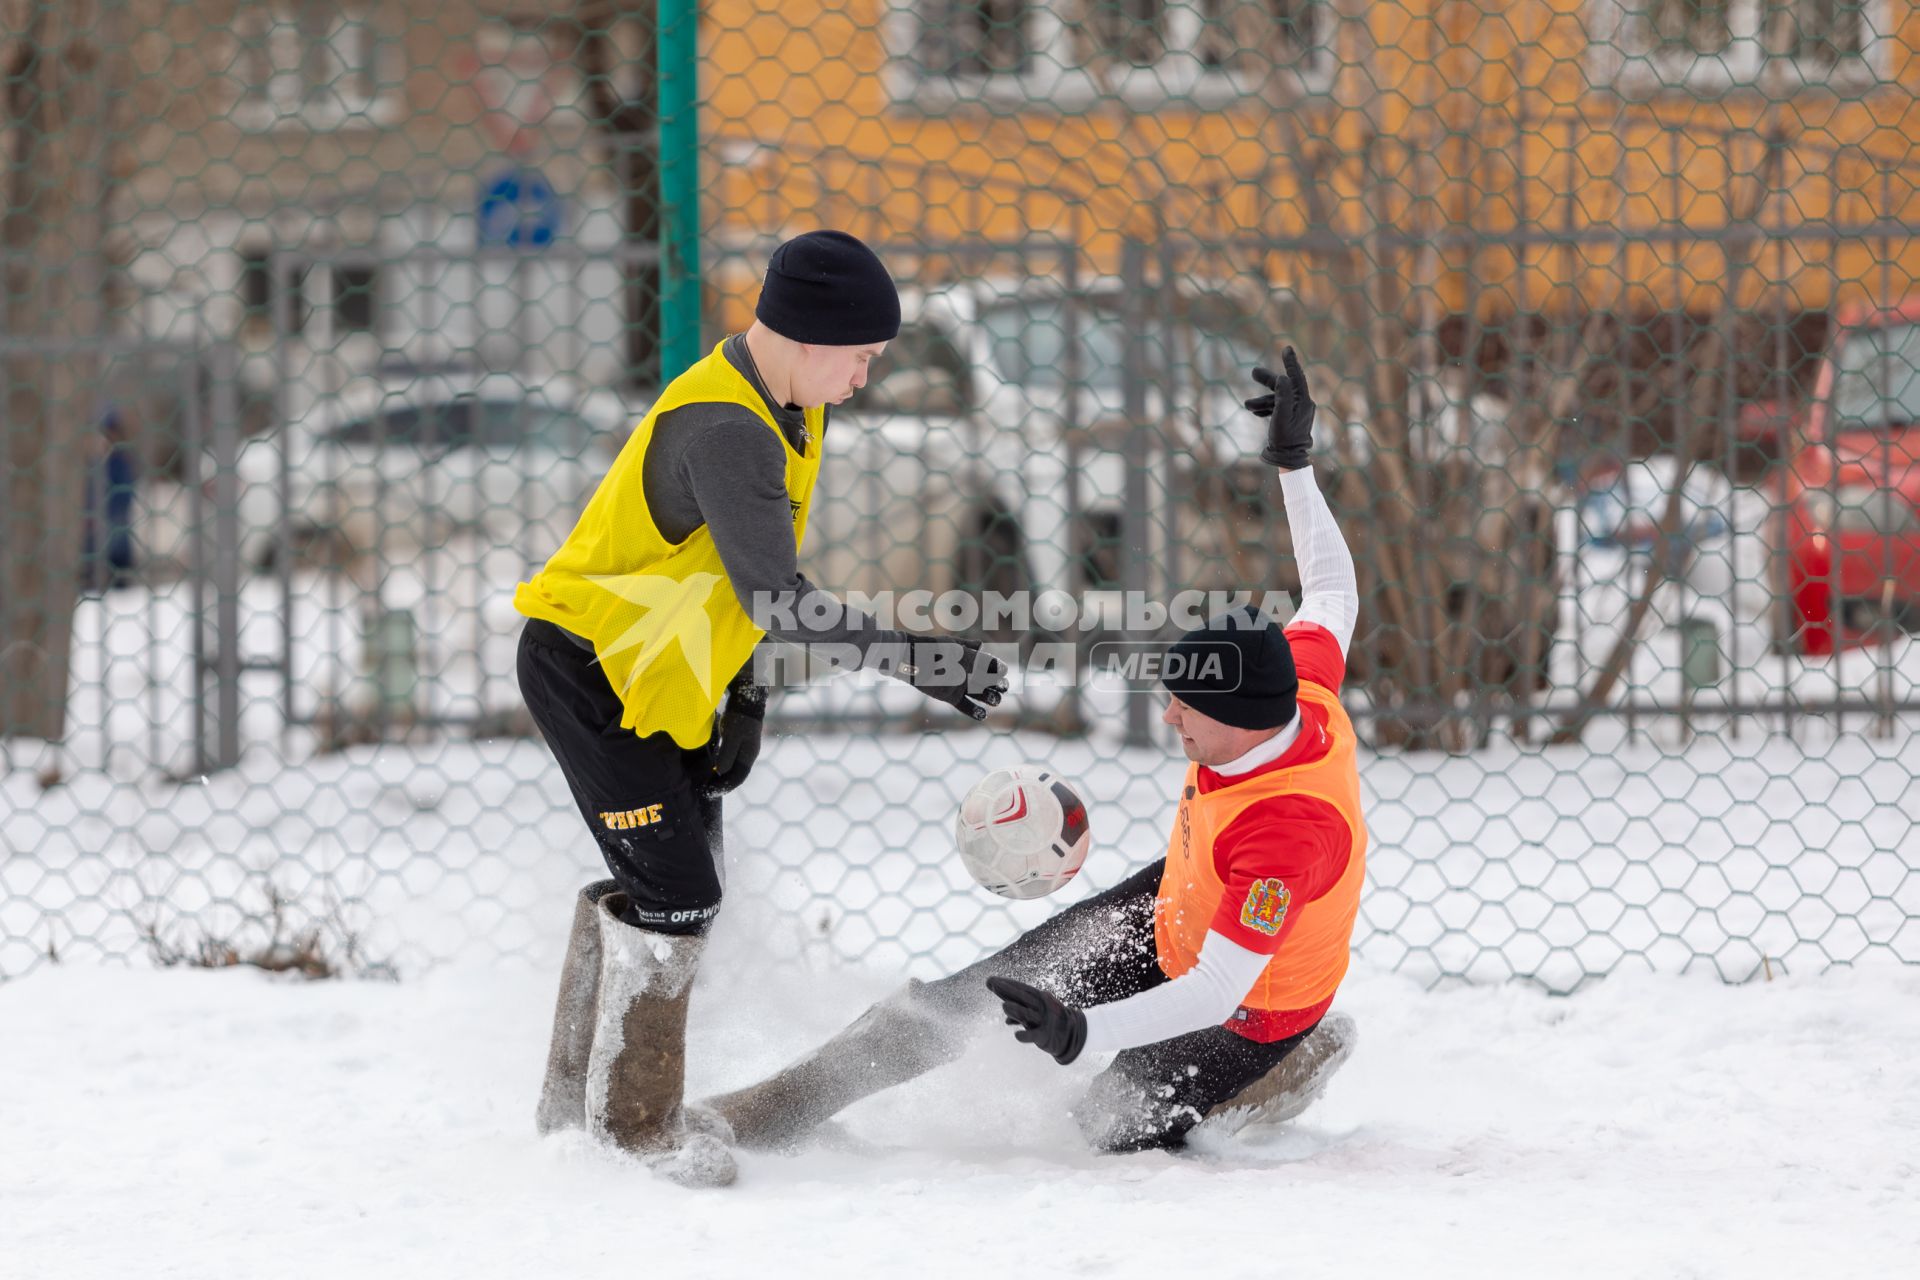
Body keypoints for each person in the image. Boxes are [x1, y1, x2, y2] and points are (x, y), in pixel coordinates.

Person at [704, 347, 1365, 1155]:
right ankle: (785, 1103)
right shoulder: (1297, 681)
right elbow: (1332, 589)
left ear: (1249, 723)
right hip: (1181, 905)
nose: (1170, 723)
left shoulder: (1287, 832)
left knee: (1104, 1129)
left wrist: (1083, 1032)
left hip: (1251, 1007)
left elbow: (1215, 989)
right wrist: (1294, 462)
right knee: (966, 1000)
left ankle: (1284, 1070)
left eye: (1188, 711)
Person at [513, 229, 1010, 1187]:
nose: (867, 377)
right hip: (590, 670)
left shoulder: (787, 403)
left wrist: (744, 693)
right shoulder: (732, 427)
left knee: (686, 882)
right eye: (862, 355)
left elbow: (743, 576)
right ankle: (633, 1139)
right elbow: (779, 599)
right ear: (809, 336)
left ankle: (572, 1106)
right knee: (677, 894)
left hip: (661, 665)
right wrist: (915, 658)